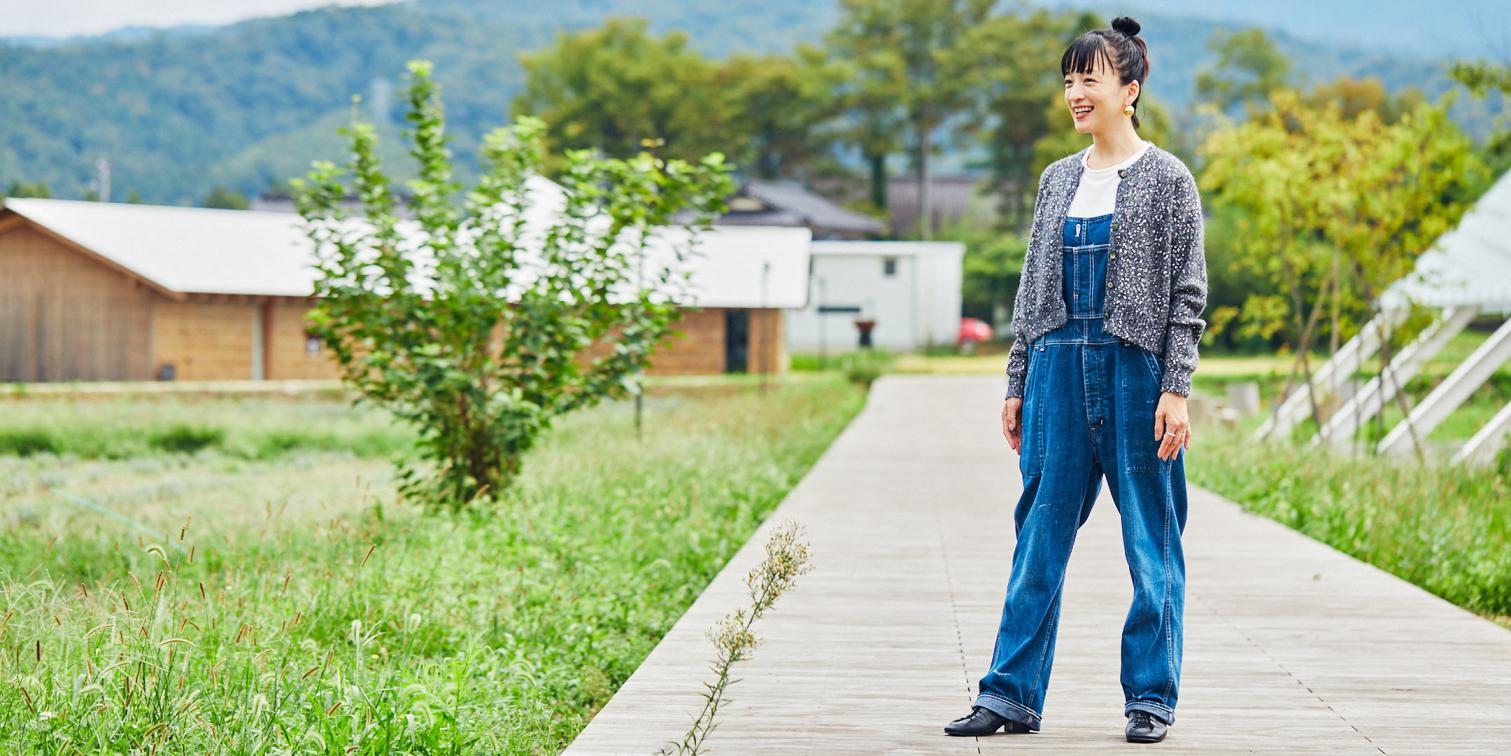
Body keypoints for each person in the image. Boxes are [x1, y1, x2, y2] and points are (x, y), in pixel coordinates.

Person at [944, 15, 1208, 744]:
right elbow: (1033, 289)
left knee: (1152, 545)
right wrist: (1015, 380)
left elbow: (1187, 292)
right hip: (1057, 370)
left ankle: (1149, 699)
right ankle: (1008, 697)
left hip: (1135, 373)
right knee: (1037, 539)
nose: (1074, 92)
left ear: (1128, 89)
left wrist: (1175, 387)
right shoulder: (1056, 179)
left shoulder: (1167, 179)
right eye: (1067, 80)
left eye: (1087, 78)